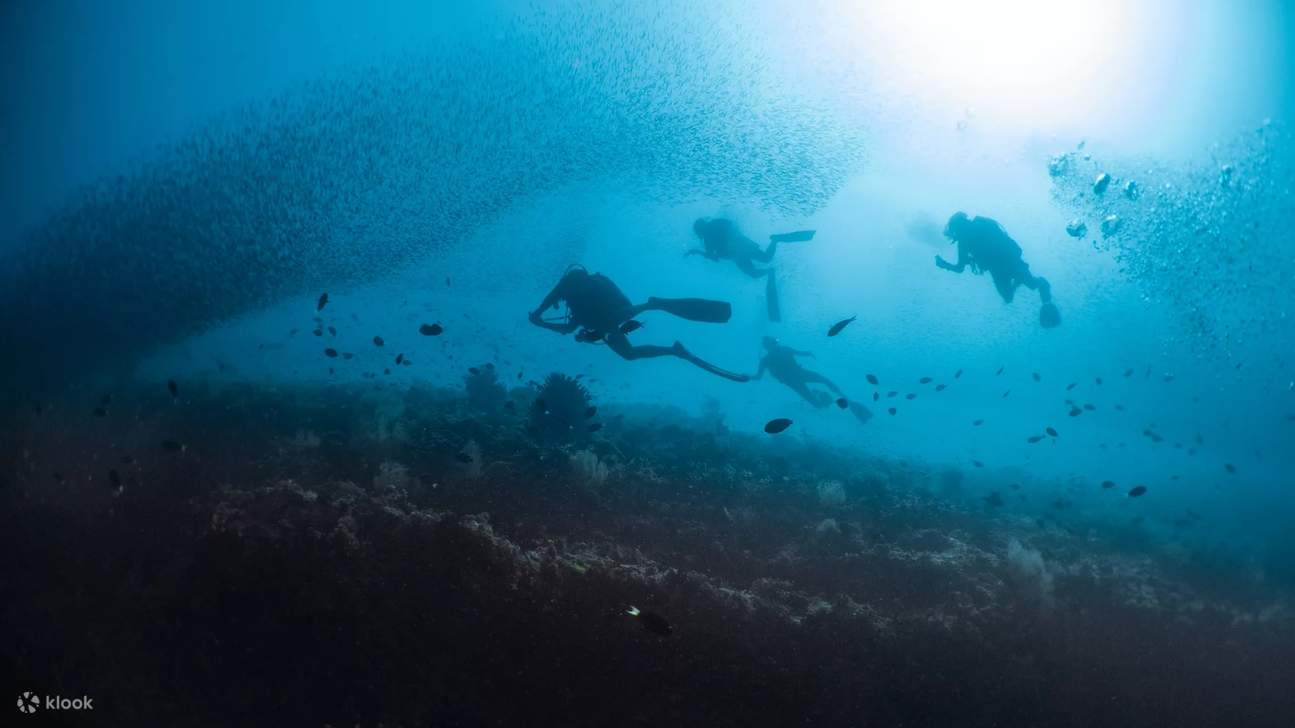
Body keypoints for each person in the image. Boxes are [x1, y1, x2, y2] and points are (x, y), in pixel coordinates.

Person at [528, 265, 749, 382]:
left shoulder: (566, 286)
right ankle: (671, 344)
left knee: (628, 350)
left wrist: (539, 320)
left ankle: (653, 310)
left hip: (607, 318)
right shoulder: (582, 284)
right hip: (615, 316)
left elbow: (563, 323)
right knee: (629, 354)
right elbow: (565, 319)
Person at [936, 212, 1061, 328]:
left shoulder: (964, 240)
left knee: (1014, 294)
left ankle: (1039, 293)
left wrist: (943, 265)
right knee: (1016, 293)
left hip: (1005, 266)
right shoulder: (980, 227)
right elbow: (1005, 240)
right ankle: (1025, 285)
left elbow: (959, 268)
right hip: (1007, 264)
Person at [687, 218, 815, 321]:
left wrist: (697, 252)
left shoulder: (709, 236)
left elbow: (713, 257)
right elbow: (733, 225)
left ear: (700, 229)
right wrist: (736, 239)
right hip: (740, 248)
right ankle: (775, 242)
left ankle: (772, 256)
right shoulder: (716, 224)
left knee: (759, 268)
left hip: (738, 251)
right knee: (765, 260)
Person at [752, 337, 871, 422]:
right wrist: (746, 377)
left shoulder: (774, 355)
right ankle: (829, 401)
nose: (774, 346)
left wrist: (746, 377)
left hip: (797, 377)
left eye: (773, 343)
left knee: (824, 382)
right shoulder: (770, 357)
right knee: (818, 399)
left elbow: (757, 377)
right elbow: (802, 353)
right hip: (795, 380)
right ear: (770, 345)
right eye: (772, 344)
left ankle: (844, 401)